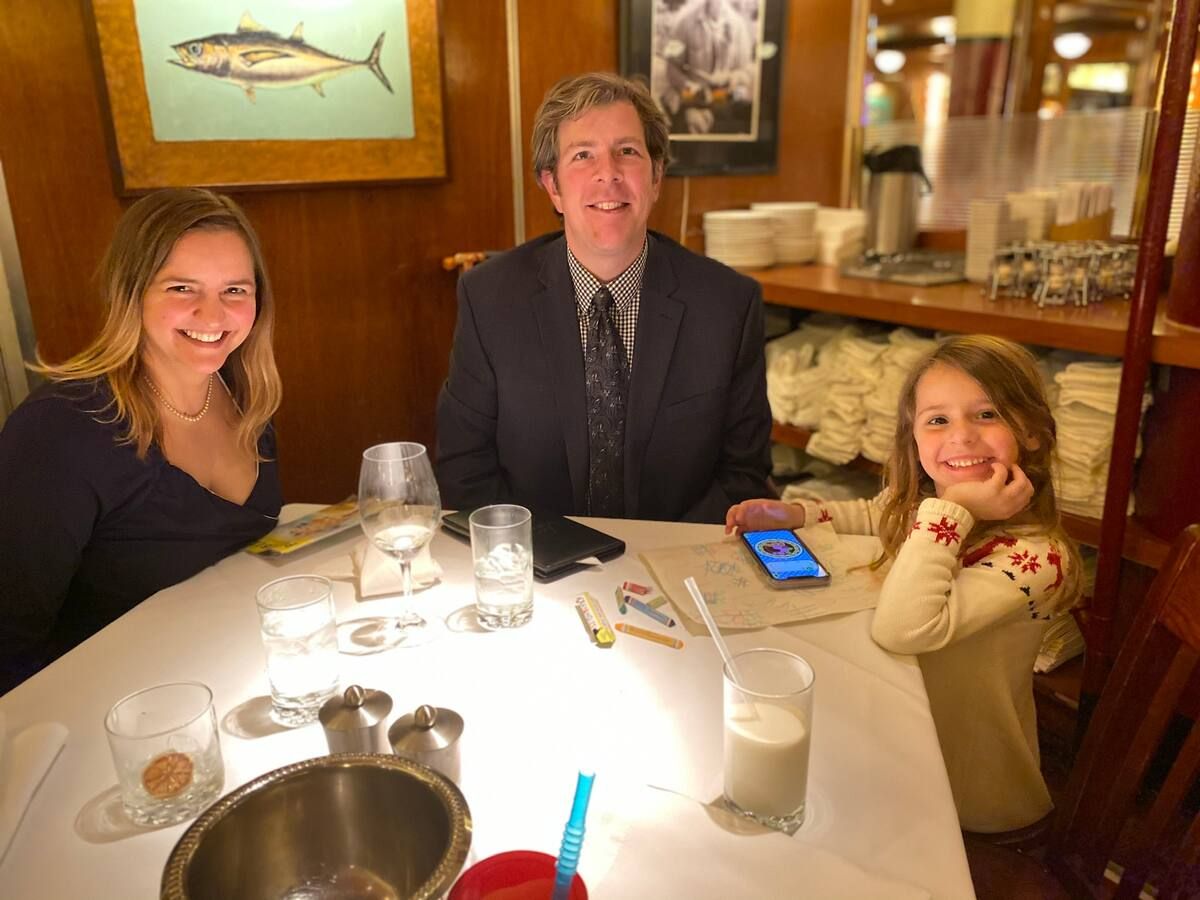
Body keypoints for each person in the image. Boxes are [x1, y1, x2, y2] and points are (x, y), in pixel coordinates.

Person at [726, 335, 1082, 833]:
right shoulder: (926, 506)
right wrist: (798, 512)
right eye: (937, 420)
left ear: (1033, 432)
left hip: (967, 795)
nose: (960, 436)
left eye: (987, 414)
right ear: (913, 440)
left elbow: (903, 629)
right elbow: (879, 514)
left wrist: (956, 509)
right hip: (904, 733)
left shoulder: (1037, 557)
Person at [436, 72, 771, 523]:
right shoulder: (489, 298)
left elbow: (743, 475)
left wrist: (662, 561)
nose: (607, 173)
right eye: (583, 155)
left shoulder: (729, 304)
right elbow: (465, 469)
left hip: (677, 564)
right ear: (553, 187)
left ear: (656, 177)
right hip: (536, 565)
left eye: (627, 152)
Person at [0, 188, 283, 693]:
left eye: (235, 290)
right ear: (130, 292)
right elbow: (9, 642)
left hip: (229, 682)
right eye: (181, 288)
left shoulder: (247, 399)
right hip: (106, 717)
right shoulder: (58, 432)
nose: (213, 316)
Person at [662, 0, 757, 135]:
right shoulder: (684, 22)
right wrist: (691, 89)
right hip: (692, 97)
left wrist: (732, 78)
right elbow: (671, 67)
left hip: (726, 100)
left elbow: (747, 71)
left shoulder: (739, 25)